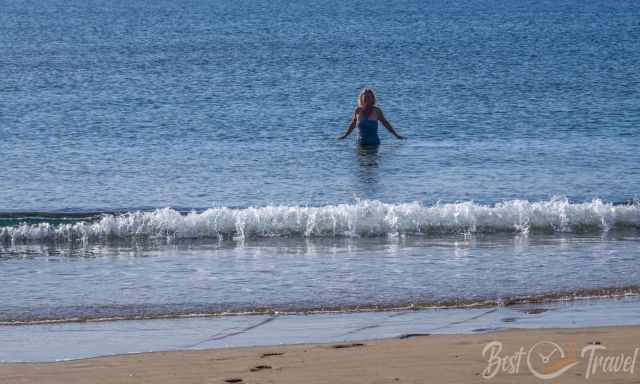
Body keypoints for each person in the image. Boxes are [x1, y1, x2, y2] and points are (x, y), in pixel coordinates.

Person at [337, 88, 405, 145]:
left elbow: (386, 124)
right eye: (365, 97)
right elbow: (353, 124)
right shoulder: (358, 110)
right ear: (361, 98)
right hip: (361, 144)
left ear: (372, 99)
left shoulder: (377, 111)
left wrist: (396, 135)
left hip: (374, 144)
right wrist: (345, 136)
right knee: (362, 161)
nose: (367, 99)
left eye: (369, 97)